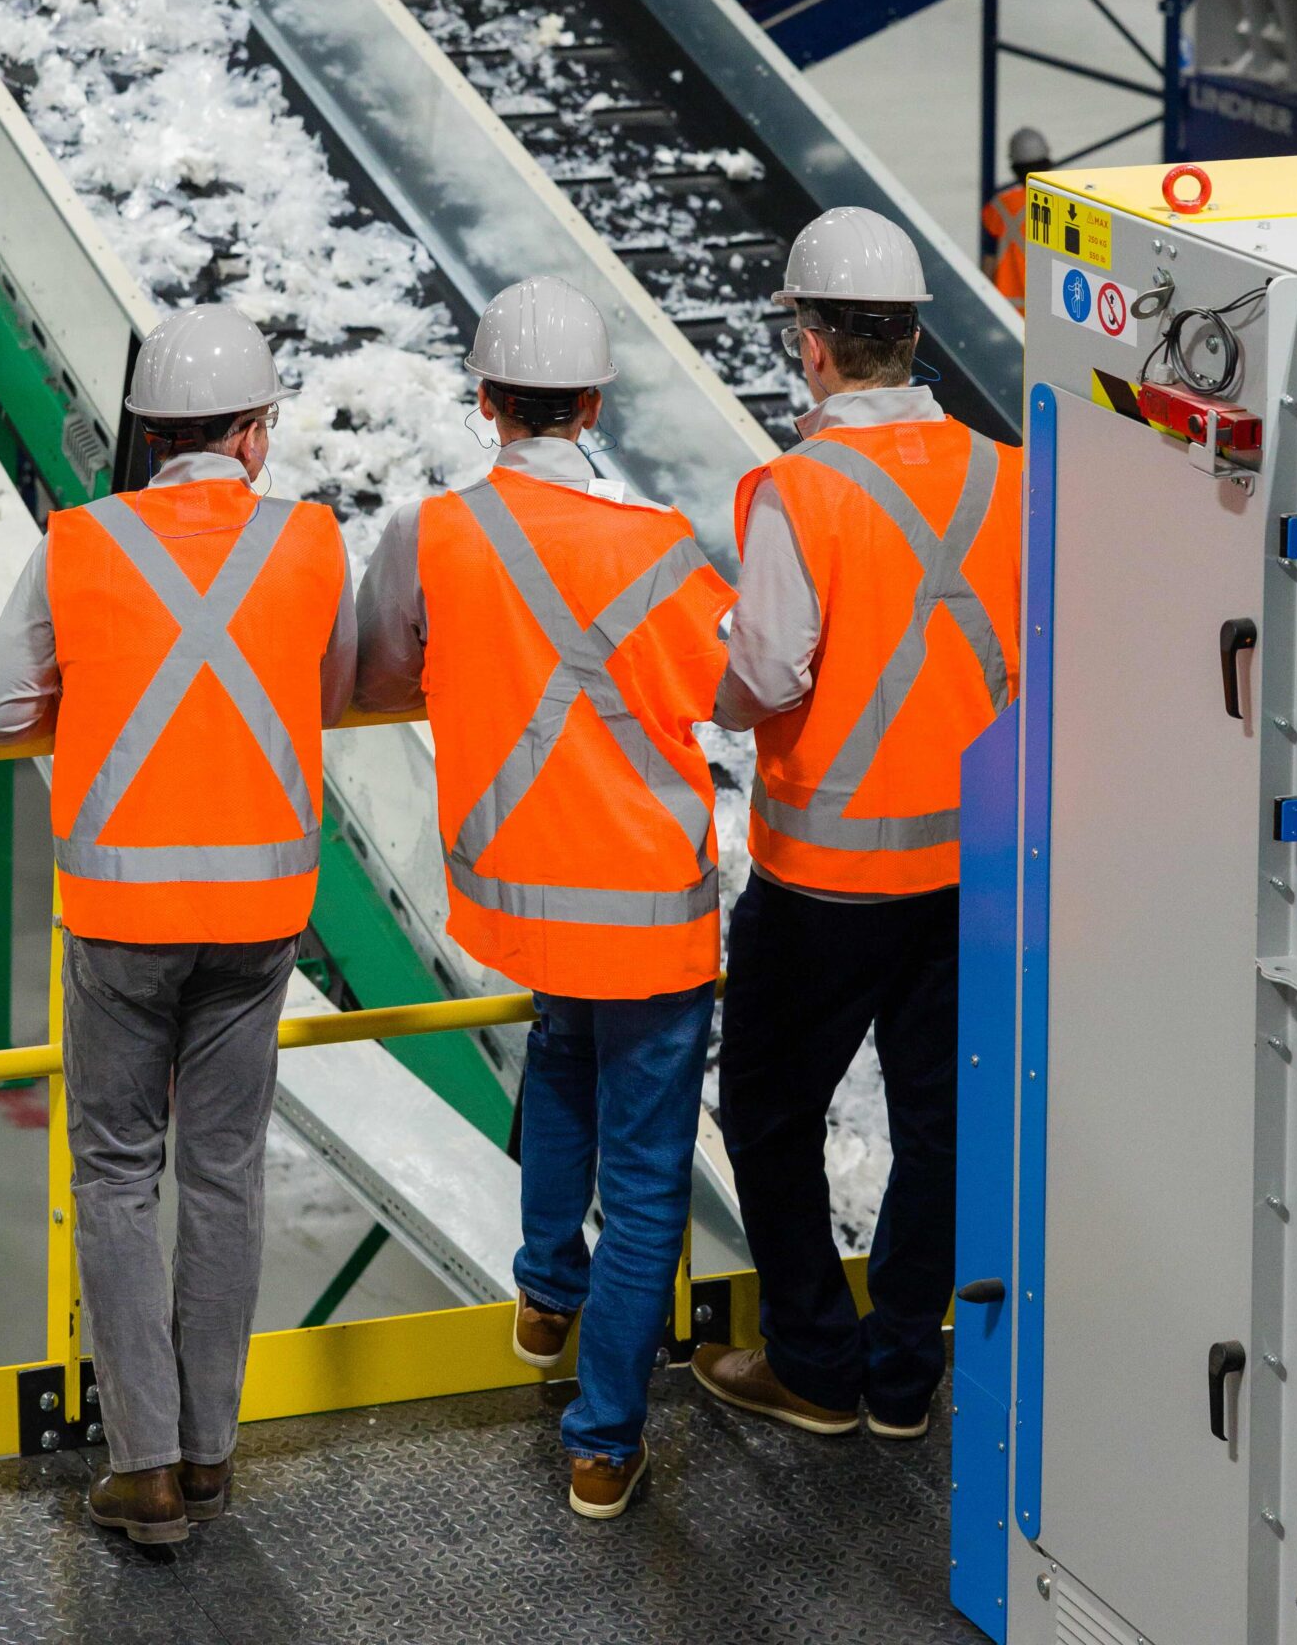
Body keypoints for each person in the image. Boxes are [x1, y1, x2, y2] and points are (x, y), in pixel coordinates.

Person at [0, 305, 355, 1547]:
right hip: (258, 919)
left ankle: (140, 1467)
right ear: (250, 434)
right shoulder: (310, 543)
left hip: (124, 919)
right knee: (226, 1172)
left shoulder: (78, 543)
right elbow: (328, 691)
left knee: (120, 1173)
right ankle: (212, 1452)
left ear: (147, 433)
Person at [354, 276, 734, 1523]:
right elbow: (730, 696)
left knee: (558, 1054)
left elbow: (395, 662)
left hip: (526, 891)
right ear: (594, 404)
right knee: (645, 1180)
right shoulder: (662, 548)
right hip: (647, 903)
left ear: (486, 401)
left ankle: (541, 1292)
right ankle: (601, 1440)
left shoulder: (432, 531)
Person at [694, 208, 1021, 1442]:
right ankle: (903, 1372)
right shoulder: (1007, 470)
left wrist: (711, 691)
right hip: (971, 869)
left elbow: (769, 674)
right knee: (942, 1118)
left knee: (769, 1112)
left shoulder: (801, 488)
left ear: (813, 346)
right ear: (913, 334)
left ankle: (816, 1367)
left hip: (826, 879)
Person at [980, 124, 1051, 313]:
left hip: (1008, 310)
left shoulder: (1000, 206)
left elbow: (989, 259)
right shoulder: (1061, 202)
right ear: (1047, 162)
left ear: (1014, 167)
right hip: (1048, 309)